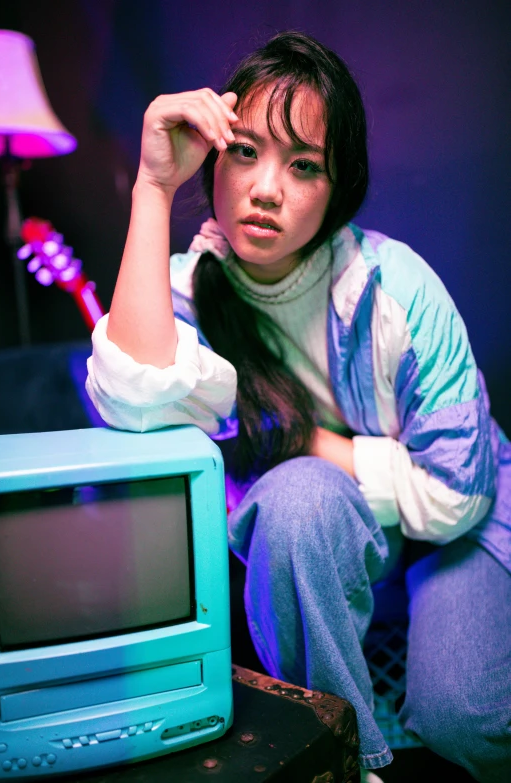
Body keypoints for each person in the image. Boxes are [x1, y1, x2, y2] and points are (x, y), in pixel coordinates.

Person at [86, 31, 511, 782]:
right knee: (297, 499)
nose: (267, 187)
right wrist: (152, 188)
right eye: (245, 150)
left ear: (337, 186)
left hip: (458, 525)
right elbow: (128, 404)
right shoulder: (186, 290)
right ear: (214, 155)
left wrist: (307, 437)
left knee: (467, 725)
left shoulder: (396, 289)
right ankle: (348, 762)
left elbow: (457, 492)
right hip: (324, 528)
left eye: (303, 164)